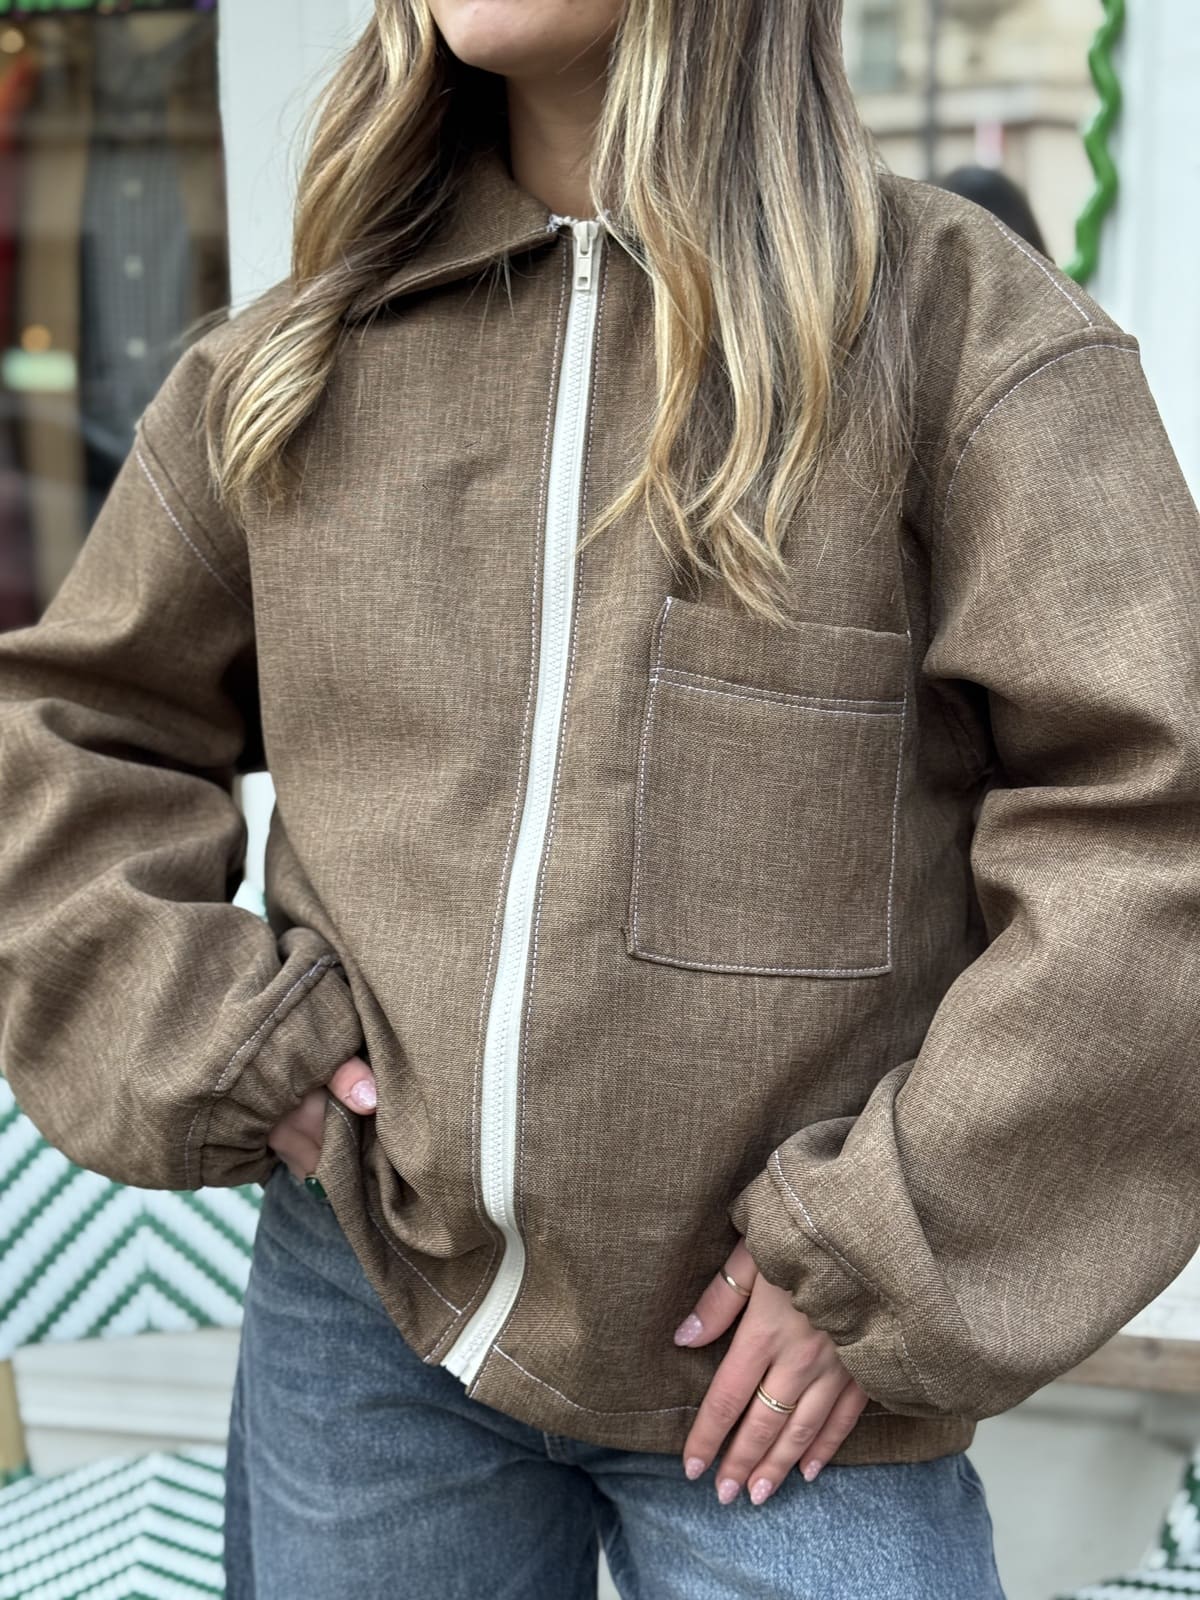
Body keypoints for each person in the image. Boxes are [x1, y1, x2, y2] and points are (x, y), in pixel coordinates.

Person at [1, 2, 1198, 1596]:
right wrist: (222, 1038)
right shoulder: (304, 356)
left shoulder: (956, 333)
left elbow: (1155, 832)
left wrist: (894, 1245)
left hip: (785, 1368)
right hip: (372, 1326)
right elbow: (68, 734)